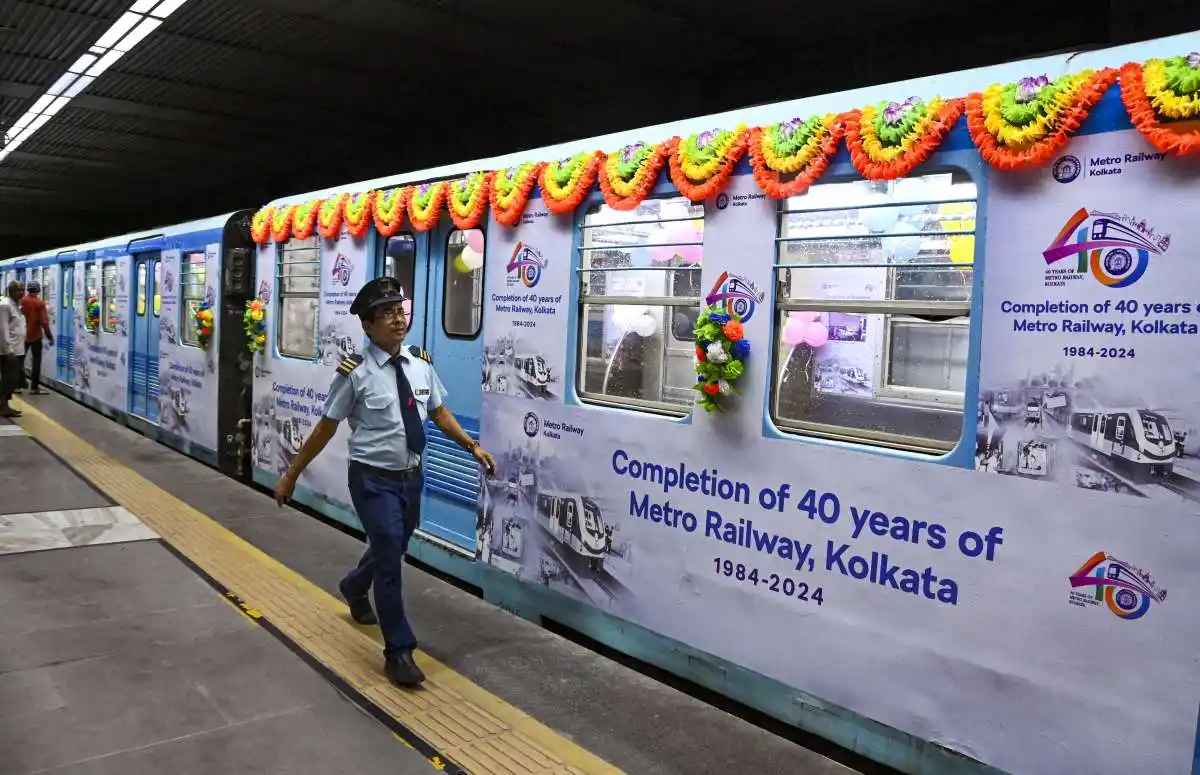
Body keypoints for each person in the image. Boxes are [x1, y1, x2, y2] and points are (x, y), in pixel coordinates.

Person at [273, 277, 496, 687]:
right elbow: (326, 427)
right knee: (391, 554)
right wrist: (291, 473)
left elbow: (439, 412)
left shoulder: (420, 362)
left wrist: (472, 447)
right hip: (372, 479)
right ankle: (399, 650)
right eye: (387, 313)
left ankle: (355, 585)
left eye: (400, 311)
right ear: (368, 325)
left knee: (391, 543)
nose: (398, 319)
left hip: (411, 478)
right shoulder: (354, 374)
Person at [20, 281, 53, 395]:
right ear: (38, 290)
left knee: (19, 360)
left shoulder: (22, 301)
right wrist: (50, 336)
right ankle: (34, 388)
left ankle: (17, 386)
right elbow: (44, 322)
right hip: (35, 336)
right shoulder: (40, 303)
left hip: (22, 336)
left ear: (28, 289)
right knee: (36, 361)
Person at [0, 281, 27, 418]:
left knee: (12, 379)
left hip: (18, 348)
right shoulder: (5, 305)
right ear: (11, 291)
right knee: (9, 379)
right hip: (10, 351)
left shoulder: (16, 305)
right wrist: (7, 350)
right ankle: (3, 406)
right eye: (18, 290)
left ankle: (4, 405)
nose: (22, 292)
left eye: (23, 290)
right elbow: (3, 329)